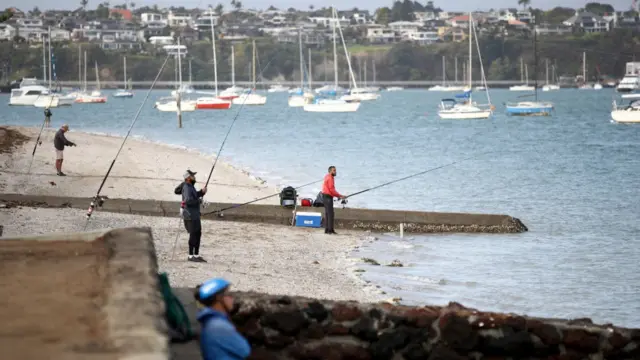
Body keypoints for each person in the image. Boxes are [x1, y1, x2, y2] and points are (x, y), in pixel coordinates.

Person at [194, 278, 251, 360]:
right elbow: (245, 350)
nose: (232, 298)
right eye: (228, 294)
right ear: (219, 298)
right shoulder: (218, 326)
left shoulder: (211, 321)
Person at [174, 170, 207, 262]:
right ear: (188, 178)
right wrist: (199, 201)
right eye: (193, 176)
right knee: (193, 234)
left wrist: (201, 192)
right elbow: (188, 201)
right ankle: (190, 256)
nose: (194, 177)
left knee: (198, 234)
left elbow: (194, 195)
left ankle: (196, 255)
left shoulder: (190, 186)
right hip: (190, 215)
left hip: (195, 214)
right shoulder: (187, 187)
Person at [321, 166, 345, 235]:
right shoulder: (330, 178)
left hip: (324, 196)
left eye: (335, 170)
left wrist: (338, 195)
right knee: (330, 214)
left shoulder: (327, 176)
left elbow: (330, 189)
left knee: (327, 213)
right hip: (328, 197)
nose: (335, 172)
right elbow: (332, 190)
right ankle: (330, 230)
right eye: (334, 170)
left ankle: (327, 229)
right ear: (330, 171)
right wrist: (340, 196)